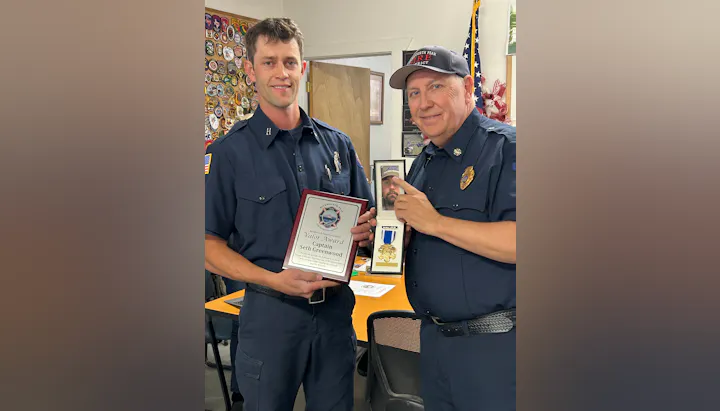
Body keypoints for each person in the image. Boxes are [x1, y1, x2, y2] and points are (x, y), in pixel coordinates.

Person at [204, 18, 376, 411]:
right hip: (270, 318)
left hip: (334, 317)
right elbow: (207, 246)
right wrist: (273, 280)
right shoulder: (228, 154)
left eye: (290, 62)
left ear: (302, 67)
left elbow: (365, 223)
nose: (281, 73)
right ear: (250, 71)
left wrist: (365, 234)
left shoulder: (337, 145)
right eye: (268, 62)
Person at [389, 45, 516, 410]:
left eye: (436, 88)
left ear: (466, 88)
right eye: (414, 93)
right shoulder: (424, 162)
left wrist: (437, 223)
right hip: (434, 343)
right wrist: (390, 236)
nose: (424, 102)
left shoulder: (506, 148)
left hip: (494, 349)